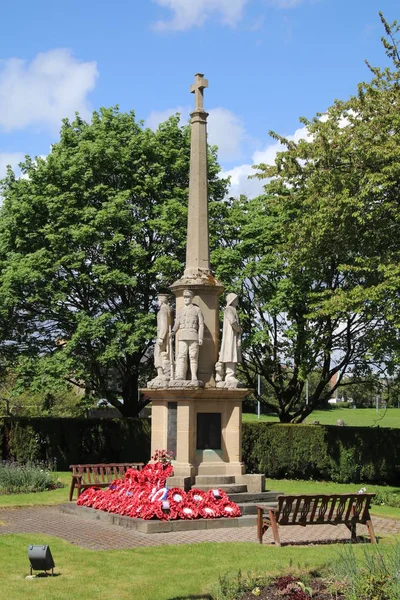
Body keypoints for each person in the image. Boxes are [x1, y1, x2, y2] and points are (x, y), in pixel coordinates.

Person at [172, 289, 204, 381]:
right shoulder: (180, 310)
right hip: (182, 336)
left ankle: (194, 376)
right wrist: (173, 332)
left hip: (193, 335)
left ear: (191, 298)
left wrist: (200, 337)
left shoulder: (197, 309)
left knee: (193, 356)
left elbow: (201, 324)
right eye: (184, 297)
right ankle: (180, 376)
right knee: (181, 356)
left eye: (188, 297)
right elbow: (176, 323)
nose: (186, 299)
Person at [219, 293, 242, 383]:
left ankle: (231, 374)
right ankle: (229, 375)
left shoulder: (233, 309)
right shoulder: (229, 309)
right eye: (236, 300)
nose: (237, 301)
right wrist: (239, 329)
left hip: (233, 334)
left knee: (233, 352)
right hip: (230, 334)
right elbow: (233, 322)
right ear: (232, 300)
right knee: (230, 352)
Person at [154, 294, 172, 378]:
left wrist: (161, 337)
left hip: (162, 336)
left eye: (158, 300)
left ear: (161, 300)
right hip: (165, 335)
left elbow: (164, 324)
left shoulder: (163, 310)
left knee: (158, 354)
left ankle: (160, 373)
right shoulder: (168, 309)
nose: (157, 302)